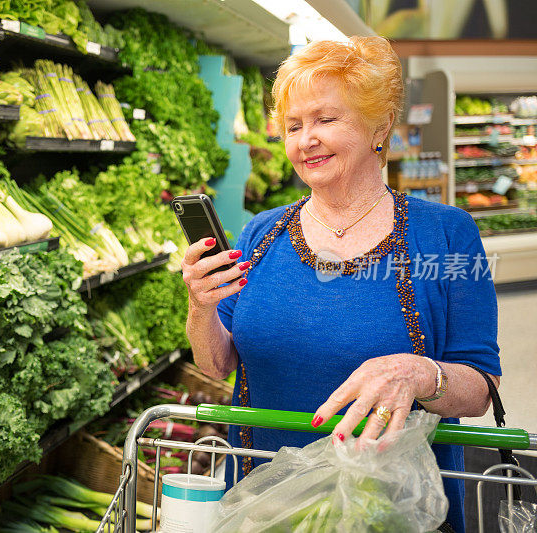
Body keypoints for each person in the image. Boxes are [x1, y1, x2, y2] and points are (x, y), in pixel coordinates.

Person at [183, 36, 501, 533]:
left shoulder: (447, 234)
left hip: (393, 508)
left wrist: (418, 374)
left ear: (380, 126)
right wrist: (201, 306)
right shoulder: (259, 234)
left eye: (326, 120)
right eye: (293, 125)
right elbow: (216, 363)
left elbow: (482, 388)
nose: (305, 139)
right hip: (266, 502)